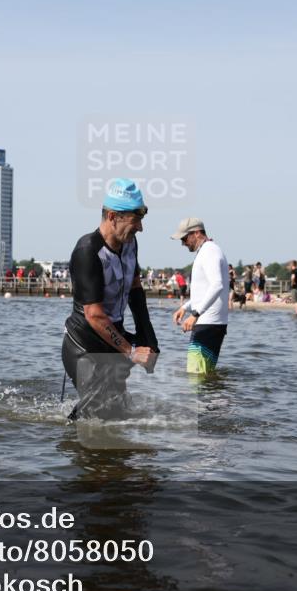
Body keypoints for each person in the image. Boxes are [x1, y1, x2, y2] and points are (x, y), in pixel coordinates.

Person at [61, 178, 159, 419]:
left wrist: (148, 338)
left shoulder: (130, 243)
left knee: (117, 410)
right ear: (113, 216)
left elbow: (135, 289)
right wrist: (131, 352)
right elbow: (94, 315)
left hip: (112, 338)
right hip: (84, 344)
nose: (140, 228)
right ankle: (67, 438)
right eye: (135, 221)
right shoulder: (87, 251)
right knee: (95, 415)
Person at [171, 218, 230, 375]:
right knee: (205, 376)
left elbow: (217, 285)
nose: (183, 243)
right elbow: (204, 292)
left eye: (184, 238)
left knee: (196, 375)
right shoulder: (206, 251)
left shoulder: (209, 251)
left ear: (196, 233)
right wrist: (185, 307)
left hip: (208, 322)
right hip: (209, 322)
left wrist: (195, 315)